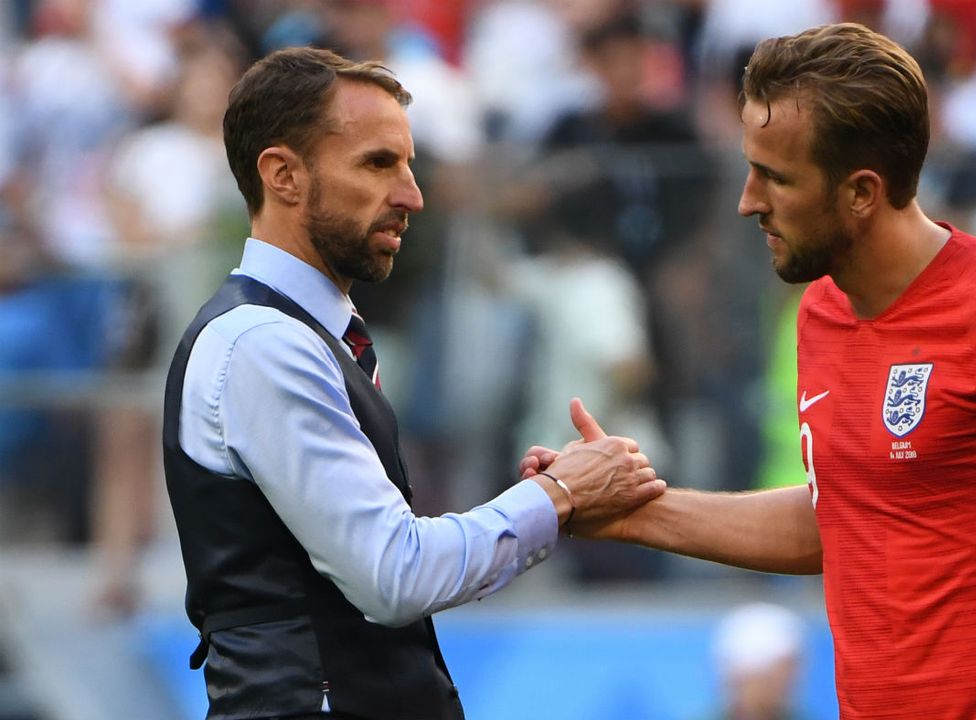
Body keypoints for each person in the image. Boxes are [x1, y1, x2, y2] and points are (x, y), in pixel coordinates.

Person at [545, 22, 976, 720]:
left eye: (776, 177)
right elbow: (848, 512)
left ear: (861, 193)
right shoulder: (821, 311)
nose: (747, 200)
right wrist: (638, 514)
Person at [161, 47, 664, 720]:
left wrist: (557, 498)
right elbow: (394, 574)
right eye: (378, 164)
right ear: (283, 175)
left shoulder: (303, 335)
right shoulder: (264, 343)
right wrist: (559, 494)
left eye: (410, 164)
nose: (412, 196)